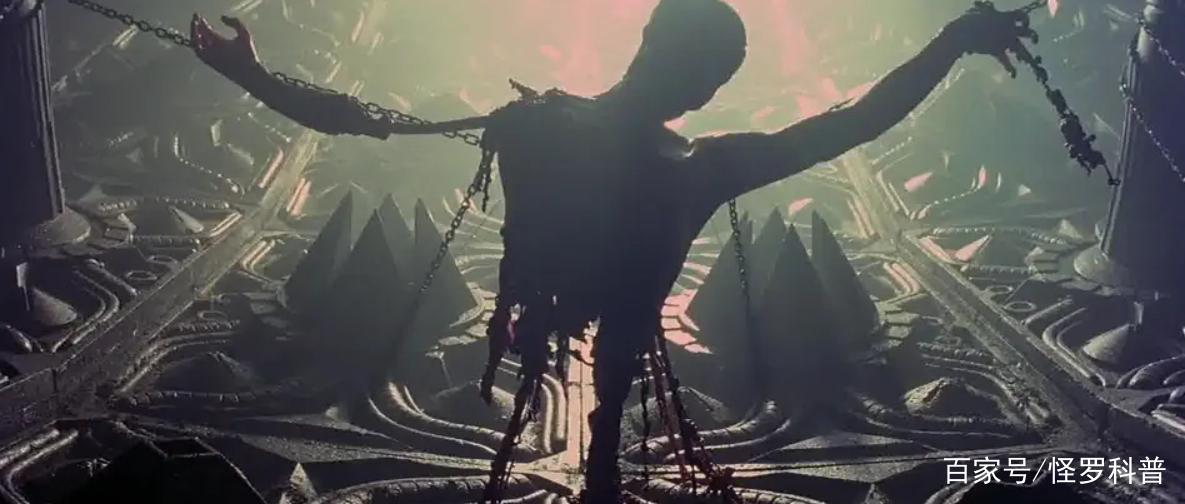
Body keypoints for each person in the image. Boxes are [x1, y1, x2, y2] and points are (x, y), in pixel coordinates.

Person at [190, 1, 1039, 500]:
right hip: (609, 325)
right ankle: (600, 464)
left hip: (551, 310)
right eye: (713, 73)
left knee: (613, 380)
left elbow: (368, 121)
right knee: (617, 377)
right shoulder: (700, 167)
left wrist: (250, 75)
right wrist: (951, 41)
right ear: (705, 82)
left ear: (644, 43)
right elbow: (852, 122)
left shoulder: (538, 124)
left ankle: (599, 460)